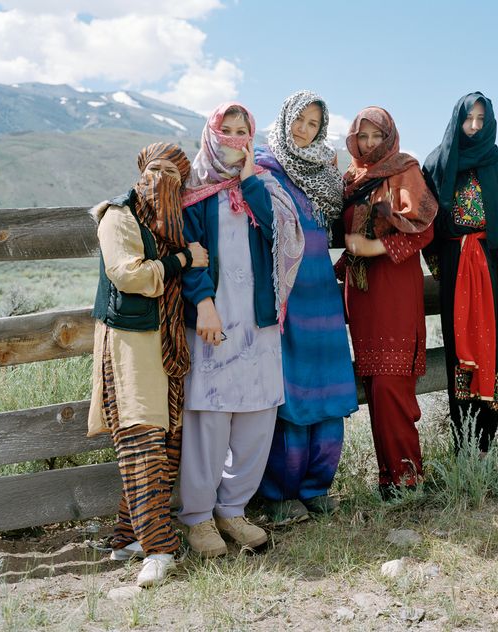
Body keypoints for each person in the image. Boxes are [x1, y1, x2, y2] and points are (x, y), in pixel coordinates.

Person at [178, 102, 304, 556]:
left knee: (256, 417)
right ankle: (197, 518)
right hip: (213, 322)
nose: (233, 139)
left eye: (241, 131)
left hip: (259, 324)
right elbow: (187, 250)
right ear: (211, 134)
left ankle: (233, 510)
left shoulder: (263, 186)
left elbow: (275, 233)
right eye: (225, 130)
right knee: (209, 419)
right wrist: (204, 304)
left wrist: (250, 179)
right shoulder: (194, 189)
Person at [88, 142, 207, 587]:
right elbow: (129, 274)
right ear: (141, 171)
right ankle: (159, 547)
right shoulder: (118, 216)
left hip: (164, 344)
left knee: (162, 441)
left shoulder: (169, 223)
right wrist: (181, 260)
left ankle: (127, 537)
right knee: (140, 439)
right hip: (128, 346)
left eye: (175, 175)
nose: (164, 181)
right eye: (156, 170)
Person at [256, 90, 358, 524]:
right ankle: (280, 494)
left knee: (329, 390)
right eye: (299, 120)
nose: (304, 130)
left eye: (313, 124)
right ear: (284, 120)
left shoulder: (325, 173)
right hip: (288, 298)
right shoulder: (264, 170)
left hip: (324, 296)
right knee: (292, 392)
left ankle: (318, 487)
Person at [422, 92, 498, 454]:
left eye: (480, 120)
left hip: (496, 272)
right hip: (458, 271)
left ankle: (487, 444)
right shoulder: (438, 163)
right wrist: (442, 267)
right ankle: (465, 448)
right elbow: (428, 224)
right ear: (457, 119)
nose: (473, 126)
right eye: (468, 118)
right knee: (462, 353)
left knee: (494, 349)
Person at [335, 106, 437, 497]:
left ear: (390, 136)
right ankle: (388, 479)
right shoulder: (352, 178)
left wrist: (375, 247)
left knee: (393, 383)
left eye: (377, 135)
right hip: (362, 294)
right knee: (376, 384)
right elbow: (350, 236)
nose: (370, 143)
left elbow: (422, 232)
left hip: (394, 288)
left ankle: (408, 478)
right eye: (363, 137)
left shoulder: (404, 170)